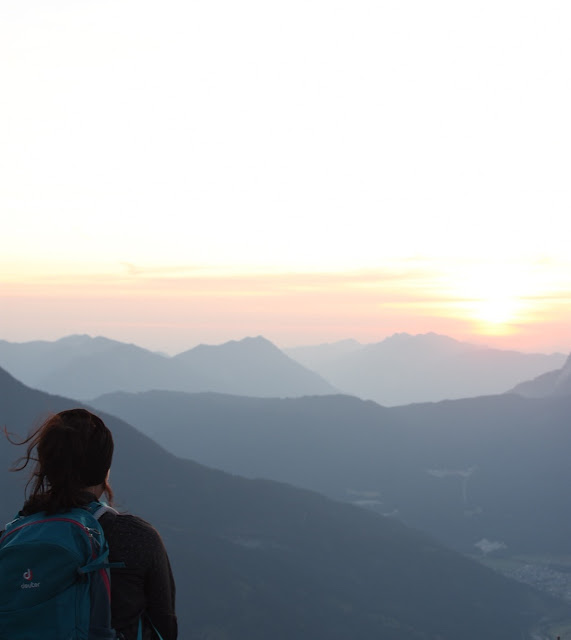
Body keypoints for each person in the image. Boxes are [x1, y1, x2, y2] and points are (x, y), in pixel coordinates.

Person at [2, 408, 178, 640]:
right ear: (105, 470)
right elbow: (165, 628)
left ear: (45, 466)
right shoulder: (137, 538)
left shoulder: (9, 540)